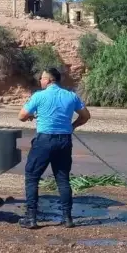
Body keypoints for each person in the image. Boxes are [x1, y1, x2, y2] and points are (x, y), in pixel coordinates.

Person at [17, 68, 92, 229]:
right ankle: (67, 218)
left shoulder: (39, 96)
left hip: (44, 140)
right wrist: (72, 126)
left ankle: (31, 218)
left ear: (49, 80)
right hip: (64, 141)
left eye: (42, 78)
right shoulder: (71, 96)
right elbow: (85, 116)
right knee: (63, 179)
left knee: (32, 177)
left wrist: (31, 115)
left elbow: (21, 116)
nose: (40, 81)